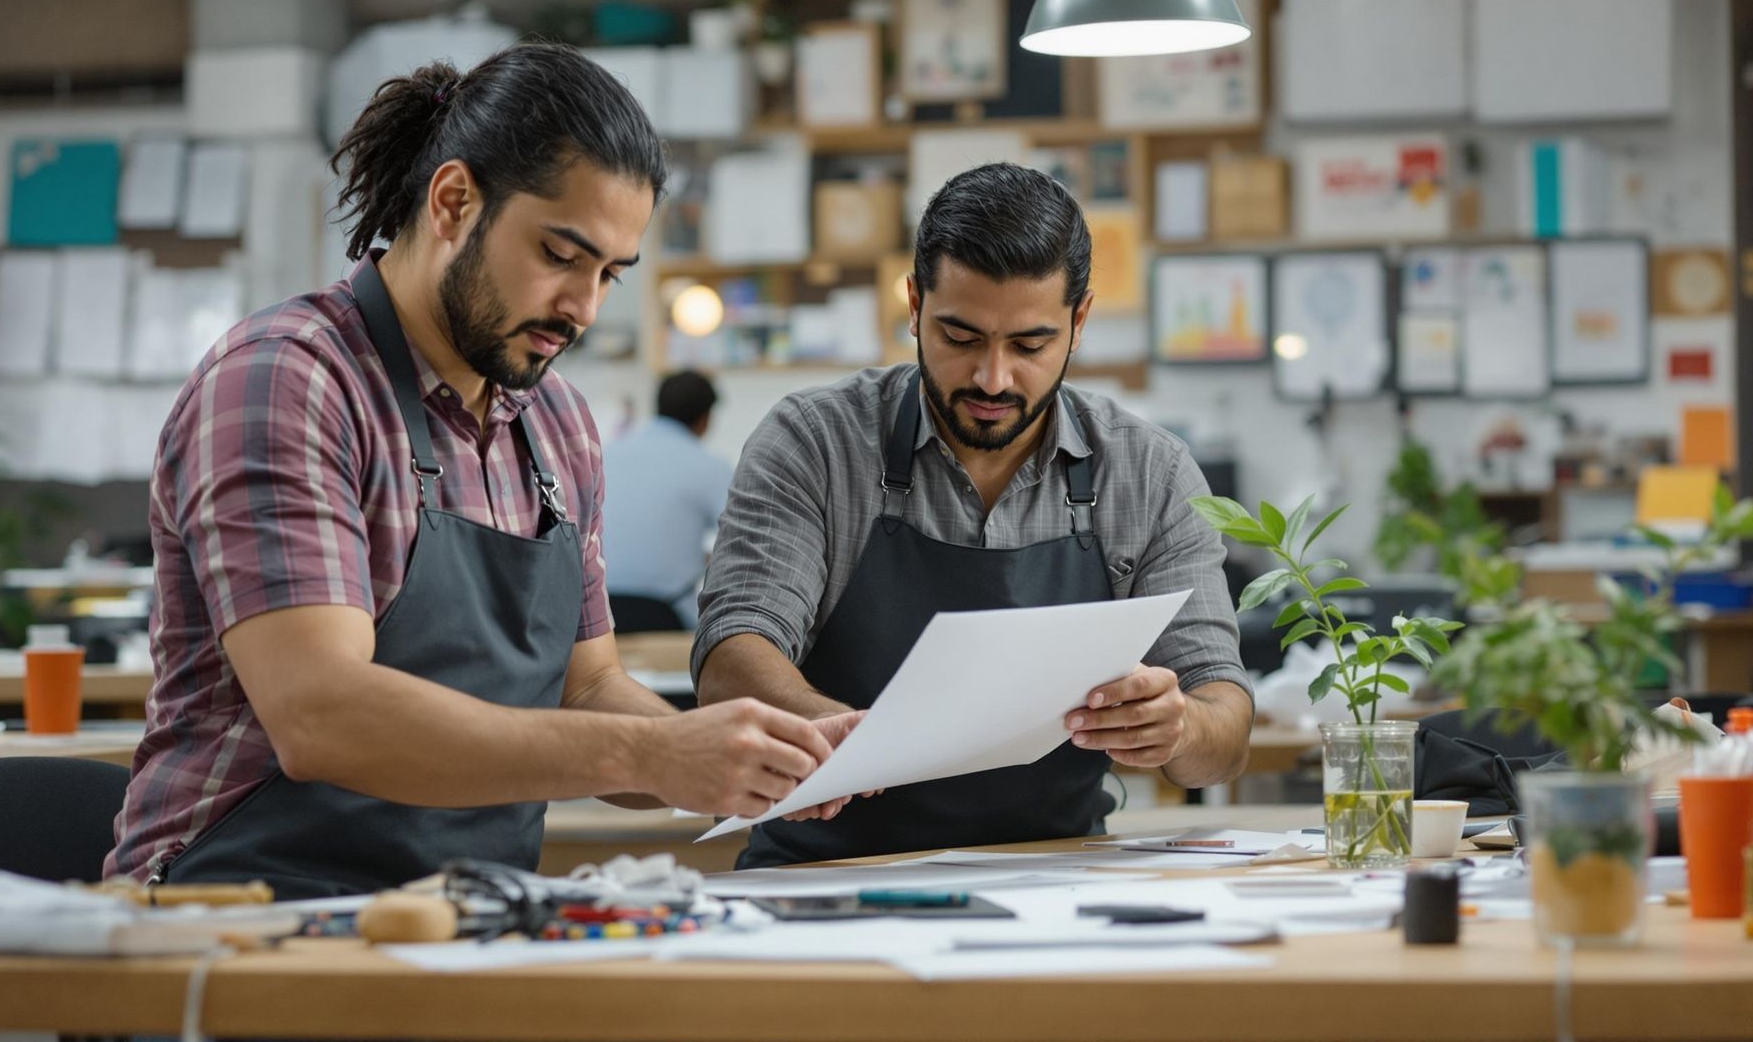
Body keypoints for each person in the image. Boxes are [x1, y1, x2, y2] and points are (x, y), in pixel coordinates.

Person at [106, 44, 857, 899]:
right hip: (241, 913)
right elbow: (322, 714)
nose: (585, 308)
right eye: (560, 255)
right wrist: (655, 753)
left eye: (610, 273)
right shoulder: (287, 380)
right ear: (455, 201)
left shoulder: (558, 425)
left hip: (473, 913)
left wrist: (751, 759)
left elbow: (589, 690)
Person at [694, 162, 1253, 868]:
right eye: (960, 338)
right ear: (914, 304)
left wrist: (1178, 729)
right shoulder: (815, 443)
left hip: (1059, 879)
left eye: (1029, 345)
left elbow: (1224, 731)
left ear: (1078, 322)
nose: (993, 378)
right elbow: (732, 653)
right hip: (825, 874)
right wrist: (839, 737)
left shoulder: (1150, 473)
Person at [601, 370, 734, 629]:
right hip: (665, 616)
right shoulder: (710, 467)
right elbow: (744, 540)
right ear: (706, 418)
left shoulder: (607, 453)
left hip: (596, 612)